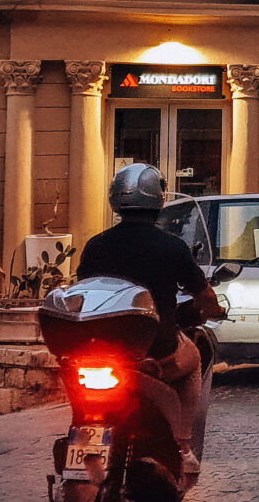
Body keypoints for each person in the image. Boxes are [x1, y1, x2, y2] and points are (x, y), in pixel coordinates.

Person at [76, 163, 225, 474]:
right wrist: (215, 311)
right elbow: (204, 295)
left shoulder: (95, 246)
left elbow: (84, 289)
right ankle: (182, 446)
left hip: (102, 350)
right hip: (155, 350)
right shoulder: (172, 247)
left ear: (115, 199)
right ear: (158, 198)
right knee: (194, 360)